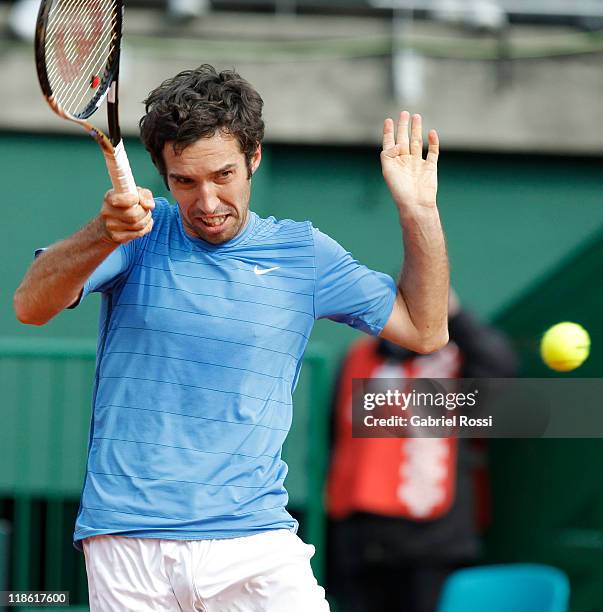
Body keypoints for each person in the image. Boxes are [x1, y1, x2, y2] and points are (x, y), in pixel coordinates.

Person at [13, 64, 449, 611]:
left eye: (223, 175)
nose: (208, 202)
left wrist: (419, 210)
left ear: (254, 158)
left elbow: (427, 332)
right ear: (164, 176)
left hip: (255, 539)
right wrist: (103, 232)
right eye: (185, 182)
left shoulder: (305, 255)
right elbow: (30, 305)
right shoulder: (136, 238)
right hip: (128, 540)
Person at [326, 290, 516, 612]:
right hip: (360, 539)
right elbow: (337, 433)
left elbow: (500, 370)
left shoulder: (457, 358)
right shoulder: (358, 356)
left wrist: (454, 312)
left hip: (432, 541)